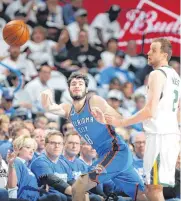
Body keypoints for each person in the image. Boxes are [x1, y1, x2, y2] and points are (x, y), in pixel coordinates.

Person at [41, 72, 146, 201]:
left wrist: (105, 120)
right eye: (73, 84)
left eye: (81, 84)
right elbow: (51, 108)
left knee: (79, 185)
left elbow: (120, 119)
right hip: (106, 155)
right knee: (142, 195)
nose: (77, 86)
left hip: (116, 151)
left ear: (86, 89)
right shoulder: (69, 109)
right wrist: (46, 101)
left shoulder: (94, 101)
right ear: (69, 89)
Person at [104, 38, 181, 201]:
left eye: (153, 50)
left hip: (159, 135)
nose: (148, 53)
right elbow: (178, 111)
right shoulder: (175, 76)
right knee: (155, 187)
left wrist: (122, 122)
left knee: (153, 188)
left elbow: (150, 110)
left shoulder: (156, 74)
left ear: (164, 55)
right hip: (171, 135)